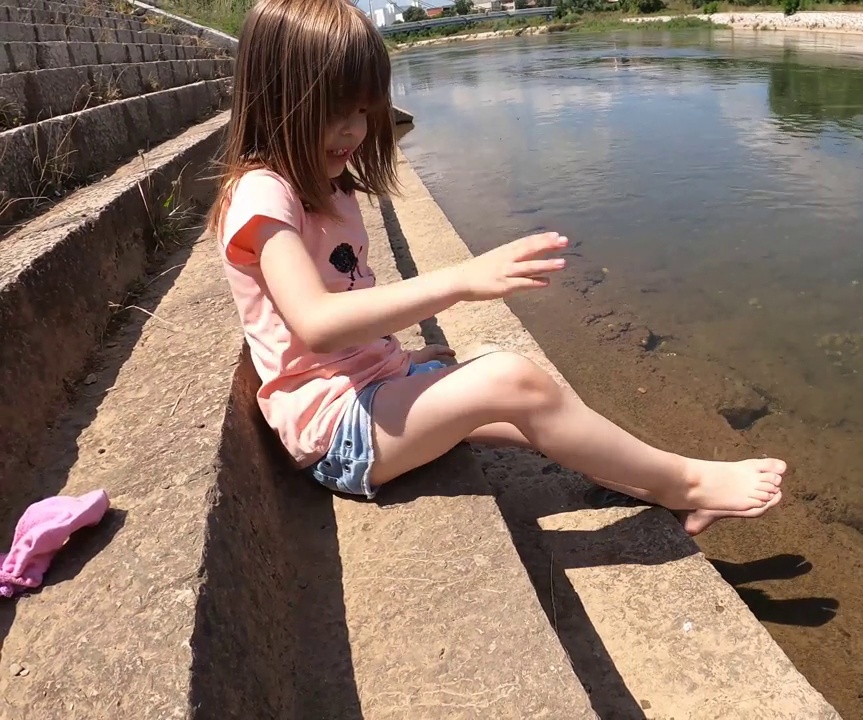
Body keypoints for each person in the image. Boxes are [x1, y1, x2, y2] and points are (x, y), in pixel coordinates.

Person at [209, 0, 786, 536]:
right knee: (514, 378)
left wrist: (399, 358)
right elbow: (315, 322)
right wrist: (460, 280)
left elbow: (337, 311)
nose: (354, 131)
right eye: (336, 113)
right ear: (277, 99)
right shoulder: (263, 194)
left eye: (363, 110)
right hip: (336, 433)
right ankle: (691, 481)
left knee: (538, 415)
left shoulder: (329, 188)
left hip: (370, 388)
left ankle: (663, 485)